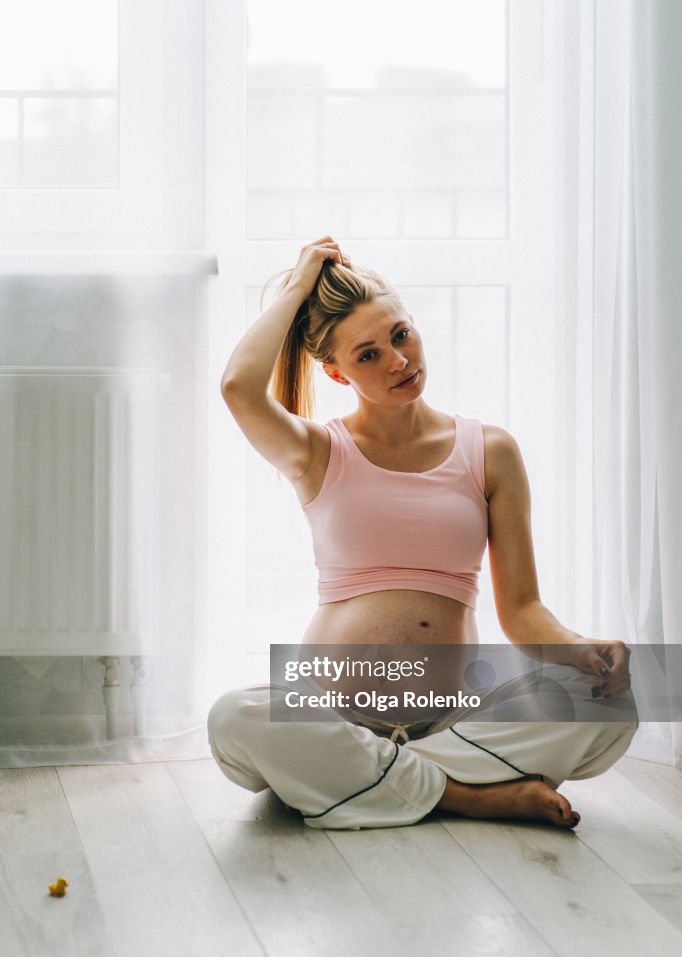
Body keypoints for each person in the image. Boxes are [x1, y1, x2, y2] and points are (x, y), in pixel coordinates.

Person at [207, 235, 638, 831]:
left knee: (612, 703)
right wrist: (299, 286)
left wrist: (582, 649)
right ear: (335, 372)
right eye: (368, 355)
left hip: (448, 722)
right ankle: (468, 795)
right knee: (234, 717)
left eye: (401, 335)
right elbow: (238, 388)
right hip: (333, 712)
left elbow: (522, 610)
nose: (398, 361)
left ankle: (365, 779)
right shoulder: (318, 451)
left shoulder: (489, 450)